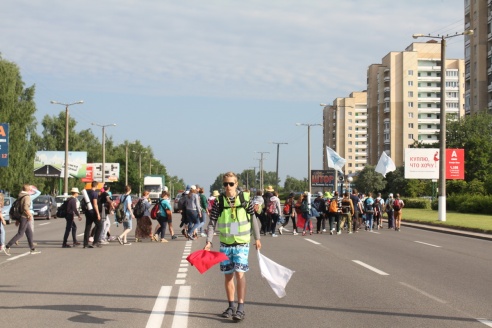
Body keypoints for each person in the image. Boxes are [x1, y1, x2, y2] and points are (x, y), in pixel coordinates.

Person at [204, 172, 261, 322]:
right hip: (226, 243)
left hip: (242, 242)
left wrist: (257, 238)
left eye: (231, 184)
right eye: (225, 184)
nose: (228, 187)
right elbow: (212, 222)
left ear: (236, 184)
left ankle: (240, 307)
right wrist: (209, 241)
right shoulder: (219, 201)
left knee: (239, 273)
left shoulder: (244, 199)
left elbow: (253, 218)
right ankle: (231, 306)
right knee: (228, 275)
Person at [4, 184, 41, 255]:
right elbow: (25, 208)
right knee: (20, 233)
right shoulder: (27, 197)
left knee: (29, 233)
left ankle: (32, 249)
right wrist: (29, 215)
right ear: (28, 190)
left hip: (21, 216)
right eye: (30, 189)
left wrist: (18, 219)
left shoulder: (20, 195)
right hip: (24, 217)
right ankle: (7, 246)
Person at [83, 181, 103, 248]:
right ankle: (95, 242)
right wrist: (98, 214)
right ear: (96, 186)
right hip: (93, 212)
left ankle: (85, 244)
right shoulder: (94, 193)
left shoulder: (87, 192)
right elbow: (95, 204)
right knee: (100, 225)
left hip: (87, 211)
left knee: (88, 227)